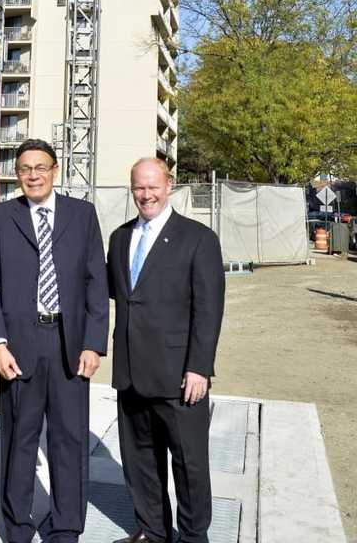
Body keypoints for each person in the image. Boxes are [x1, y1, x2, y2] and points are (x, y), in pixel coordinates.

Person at [0, 139, 109, 543]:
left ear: (55, 170)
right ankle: (18, 526)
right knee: (20, 436)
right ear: (16, 174)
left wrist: (93, 343)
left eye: (40, 167)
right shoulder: (1, 218)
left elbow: (96, 283)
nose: (33, 175)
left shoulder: (82, 214)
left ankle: (66, 525)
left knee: (69, 438)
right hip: (19, 345)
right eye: (24, 169)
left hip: (68, 343)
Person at [106, 158, 225, 543]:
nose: (146, 195)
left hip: (179, 377)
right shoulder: (120, 237)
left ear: (168, 185)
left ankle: (193, 536)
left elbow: (208, 309)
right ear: (131, 188)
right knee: (140, 461)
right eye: (139, 187)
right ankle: (153, 531)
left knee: (189, 465)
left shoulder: (198, 238)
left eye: (153, 186)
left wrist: (199, 368)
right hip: (131, 373)